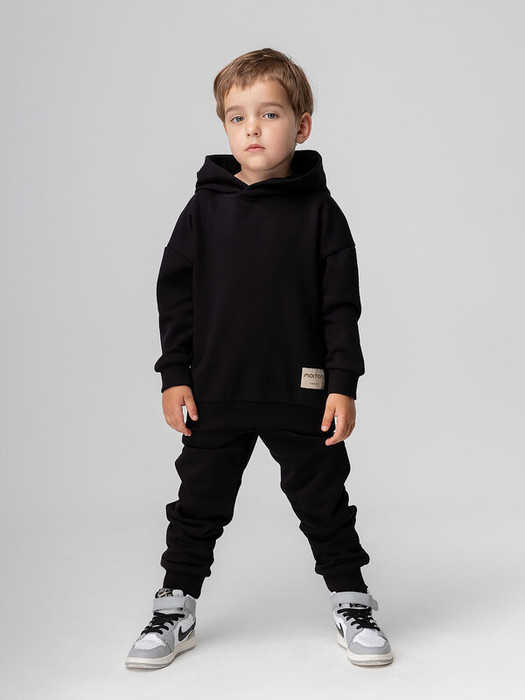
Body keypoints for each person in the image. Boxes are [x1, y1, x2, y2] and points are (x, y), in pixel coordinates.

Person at [125, 47, 393, 670]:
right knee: (198, 503)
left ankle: (352, 599)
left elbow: (341, 308)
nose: (252, 128)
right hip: (215, 392)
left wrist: (343, 384)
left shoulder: (322, 215)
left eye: (269, 114)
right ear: (224, 126)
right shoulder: (203, 211)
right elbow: (175, 299)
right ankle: (175, 605)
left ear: (302, 126)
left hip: (302, 393)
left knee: (324, 500)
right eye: (237, 116)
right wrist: (174, 375)